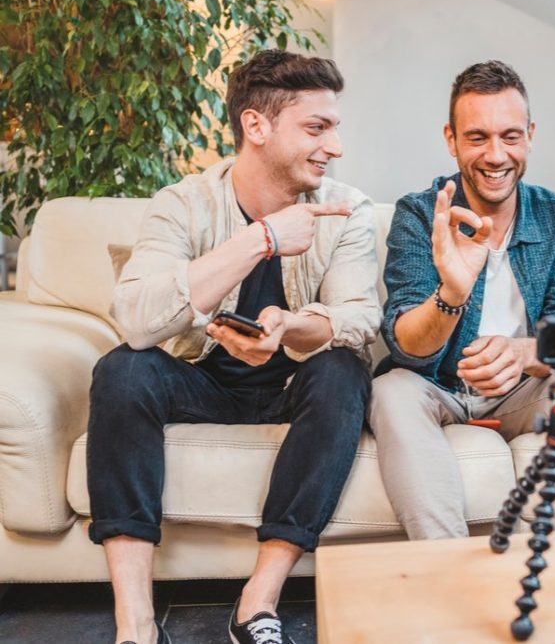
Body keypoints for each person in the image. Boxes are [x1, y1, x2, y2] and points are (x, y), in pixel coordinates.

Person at [86, 50, 380, 644]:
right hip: (197, 379)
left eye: (335, 128)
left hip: (290, 385)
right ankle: (136, 625)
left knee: (345, 369)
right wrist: (261, 240)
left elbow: (358, 319)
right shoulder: (182, 204)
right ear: (256, 126)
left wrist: (288, 330)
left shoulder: (346, 211)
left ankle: (258, 602)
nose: (336, 147)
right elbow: (138, 320)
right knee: (121, 370)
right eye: (317, 129)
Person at [368, 60, 555, 540]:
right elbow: (406, 349)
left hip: (525, 392)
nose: (495, 155)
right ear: (452, 139)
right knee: (390, 389)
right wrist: (452, 293)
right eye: (477, 137)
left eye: (509, 136)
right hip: (440, 387)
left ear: (529, 135)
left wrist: (525, 352)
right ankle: (446, 568)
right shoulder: (420, 214)